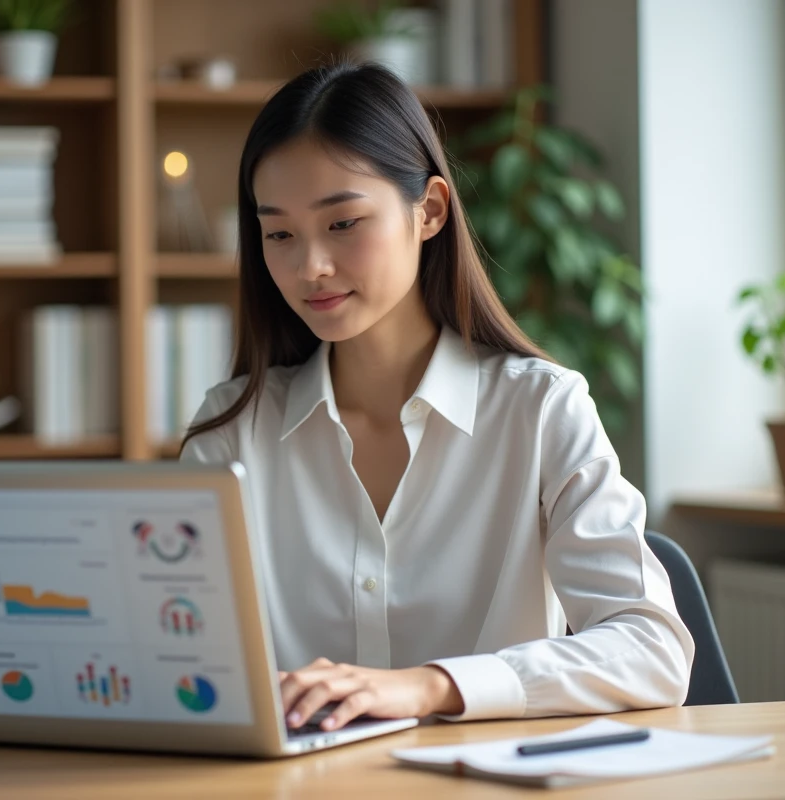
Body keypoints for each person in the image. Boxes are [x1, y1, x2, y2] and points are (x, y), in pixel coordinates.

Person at [179, 62, 694, 734]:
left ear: (429, 211)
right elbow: (179, 661)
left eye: (342, 223)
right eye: (279, 234)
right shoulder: (231, 435)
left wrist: (431, 687)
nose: (310, 267)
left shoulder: (541, 411)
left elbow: (652, 648)